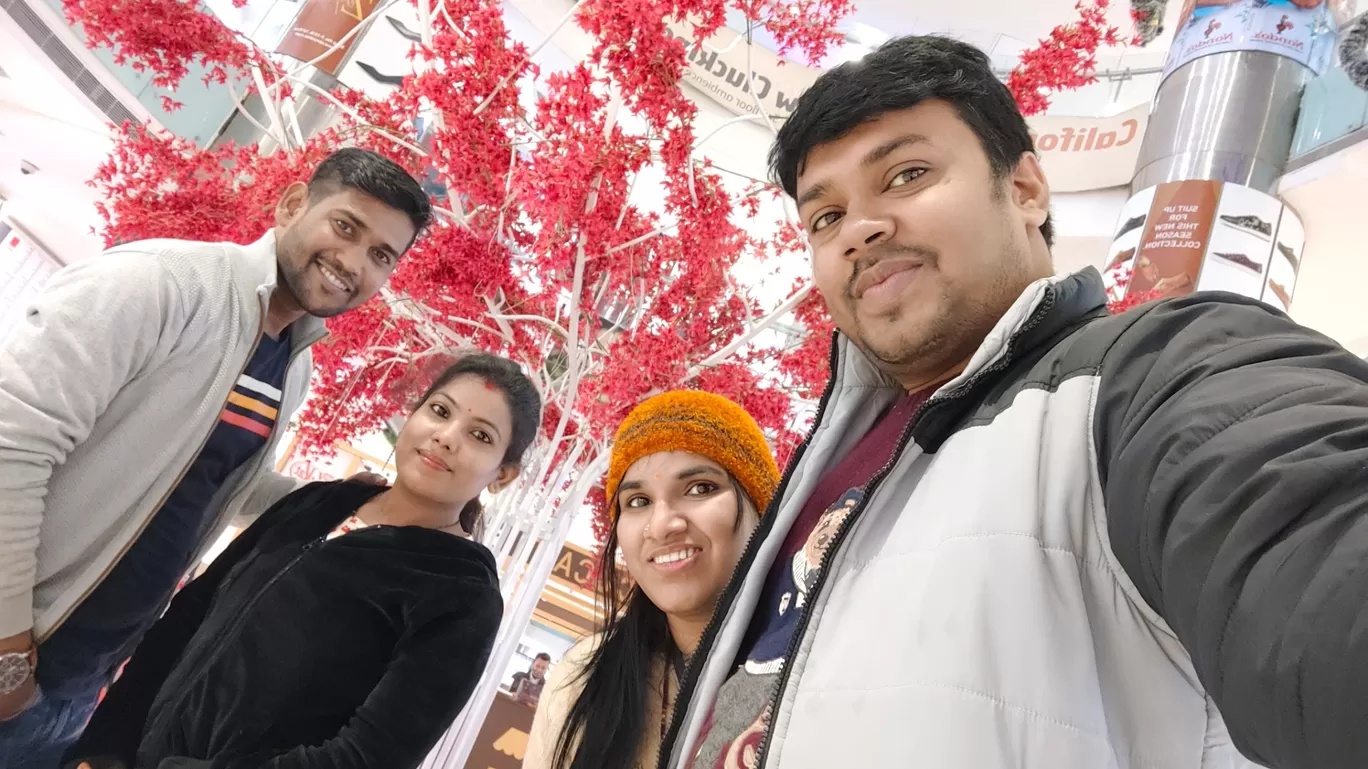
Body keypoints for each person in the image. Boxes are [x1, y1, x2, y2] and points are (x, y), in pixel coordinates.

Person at [657, 35, 1368, 769]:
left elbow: (1308, 541)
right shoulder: (828, 469)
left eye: (907, 174)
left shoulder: (1147, 378)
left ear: (1025, 189)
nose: (860, 229)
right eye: (825, 217)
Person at [0, 147, 430, 765]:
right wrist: (9, 652)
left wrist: (353, 499)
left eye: (381, 255)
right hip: (21, 649)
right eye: (346, 227)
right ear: (290, 205)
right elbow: (15, 440)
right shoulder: (162, 283)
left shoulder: (293, 361)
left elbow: (209, 481)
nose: (353, 262)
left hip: (74, 684)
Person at [62, 353, 539, 769]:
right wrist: (107, 745)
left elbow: (367, 757)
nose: (446, 437)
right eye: (439, 411)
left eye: (479, 435)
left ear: (503, 474)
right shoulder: (316, 503)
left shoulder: (461, 596)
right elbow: (188, 618)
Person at [524, 391, 780, 769]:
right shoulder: (583, 675)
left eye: (700, 488)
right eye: (638, 501)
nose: (661, 526)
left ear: (763, 508)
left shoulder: (814, 671)